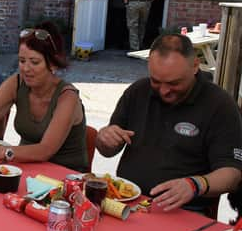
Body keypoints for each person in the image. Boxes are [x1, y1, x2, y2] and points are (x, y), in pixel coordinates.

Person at [95, 34, 242, 215]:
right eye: (156, 81)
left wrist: (195, 184)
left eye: (174, 83)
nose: (164, 91)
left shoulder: (219, 104)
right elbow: (107, 151)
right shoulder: (138, 91)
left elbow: (232, 174)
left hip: (185, 210)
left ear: (195, 66)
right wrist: (105, 137)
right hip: (129, 201)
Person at [0, 22, 88, 172]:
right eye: (22, 61)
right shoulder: (17, 82)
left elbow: (45, 150)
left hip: (66, 176)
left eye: (34, 62)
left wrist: (0, 152)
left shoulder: (68, 97)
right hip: (27, 167)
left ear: (53, 64)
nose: (25, 68)